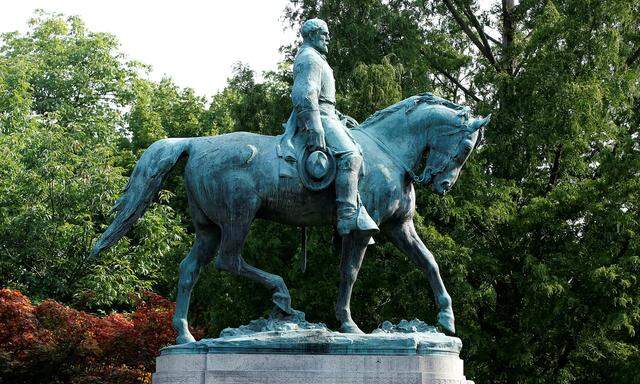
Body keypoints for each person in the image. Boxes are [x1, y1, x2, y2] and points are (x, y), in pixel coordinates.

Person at [291, 18, 378, 237]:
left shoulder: (317, 58)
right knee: (350, 156)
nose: (328, 37)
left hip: (328, 114)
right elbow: (304, 94)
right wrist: (315, 127)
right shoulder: (310, 58)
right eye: (324, 33)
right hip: (319, 116)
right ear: (311, 36)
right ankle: (347, 215)